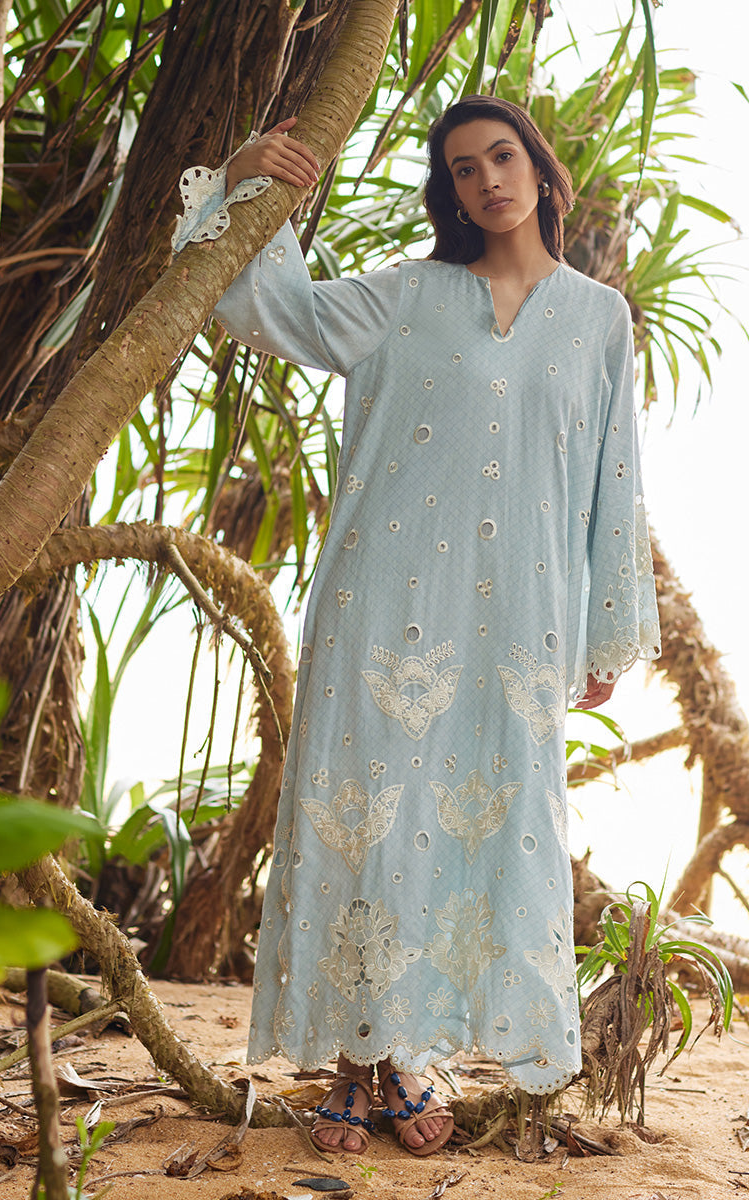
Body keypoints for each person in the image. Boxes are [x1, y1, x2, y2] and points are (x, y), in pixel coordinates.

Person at [173, 95, 661, 1156]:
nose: (488, 180)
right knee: (372, 822)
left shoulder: (599, 321)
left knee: (484, 825)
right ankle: (359, 1066)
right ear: (450, 194)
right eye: (463, 169)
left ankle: (411, 1054)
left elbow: (613, 480)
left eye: (502, 156)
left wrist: (605, 626)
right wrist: (240, 180)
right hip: (381, 608)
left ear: (540, 170)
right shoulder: (406, 296)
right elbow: (273, 309)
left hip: (517, 624)